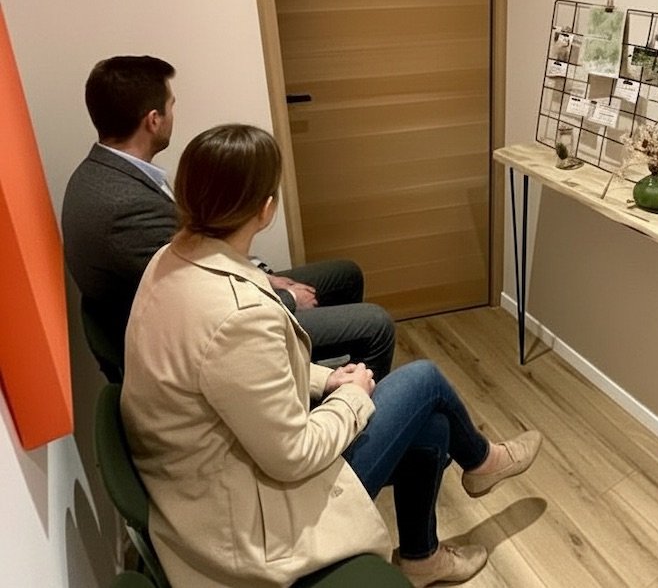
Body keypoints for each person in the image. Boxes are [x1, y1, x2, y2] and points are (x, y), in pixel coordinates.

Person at [121, 124, 542, 588]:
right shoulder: (236, 315)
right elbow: (293, 455)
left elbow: (235, 378)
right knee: (423, 381)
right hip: (248, 526)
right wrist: (353, 397)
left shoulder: (171, 259)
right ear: (266, 209)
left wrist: (326, 381)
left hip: (205, 484)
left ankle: (426, 552)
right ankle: (482, 463)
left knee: (433, 426)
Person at [61, 56, 394, 379]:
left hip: (209, 298)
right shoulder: (126, 207)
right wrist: (288, 298)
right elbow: (203, 298)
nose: (174, 113)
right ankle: (354, 400)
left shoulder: (100, 175)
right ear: (153, 120)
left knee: (345, 275)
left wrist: (266, 277)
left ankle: (308, 377)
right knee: (375, 324)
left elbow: (201, 261)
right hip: (196, 341)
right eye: (171, 105)